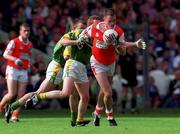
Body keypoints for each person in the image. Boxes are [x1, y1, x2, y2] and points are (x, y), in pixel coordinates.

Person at [5, 19, 91, 126]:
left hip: (67, 67)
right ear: (74, 28)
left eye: (84, 28)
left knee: (73, 94)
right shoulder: (70, 37)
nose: (83, 30)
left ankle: (75, 121)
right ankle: (12, 106)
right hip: (58, 67)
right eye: (81, 28)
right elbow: (66, 55)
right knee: (38, 94)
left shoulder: (75, 38)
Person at [80, 8, 146, 126]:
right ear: (104, 20)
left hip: (110, 63)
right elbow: (83, 35)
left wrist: (132, 44)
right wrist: (82, 39)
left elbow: (123, 52)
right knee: (108, 92)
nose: (112, 23)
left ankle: (97, 112)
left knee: (104, 91)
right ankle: (110, 117)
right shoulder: (95, 27)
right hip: (97, 62)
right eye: (110, 21)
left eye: (114, 21)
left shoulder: (119, 32)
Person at [0, 23, 33, 122]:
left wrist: (28, 65)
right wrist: (15, 60)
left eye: (28, 31)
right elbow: (5, 54)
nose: (26, 33)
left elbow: (27, 57)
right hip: (12, 69)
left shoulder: (30, 44)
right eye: (24, 31)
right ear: (20, 32)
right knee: (11, 94)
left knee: (21, 96)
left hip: (23, 71)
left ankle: (15, 115)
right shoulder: (13, 42)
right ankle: (1, 107)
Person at [118, 47, 139, 114]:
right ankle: (123, 109)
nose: (133, 48)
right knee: (125, 92)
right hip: (126, 76)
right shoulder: (123, 55)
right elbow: (119, 66)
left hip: (133, 76)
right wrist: (120, 76)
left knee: (134, 92)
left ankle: (133, 109)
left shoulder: (134, 55)